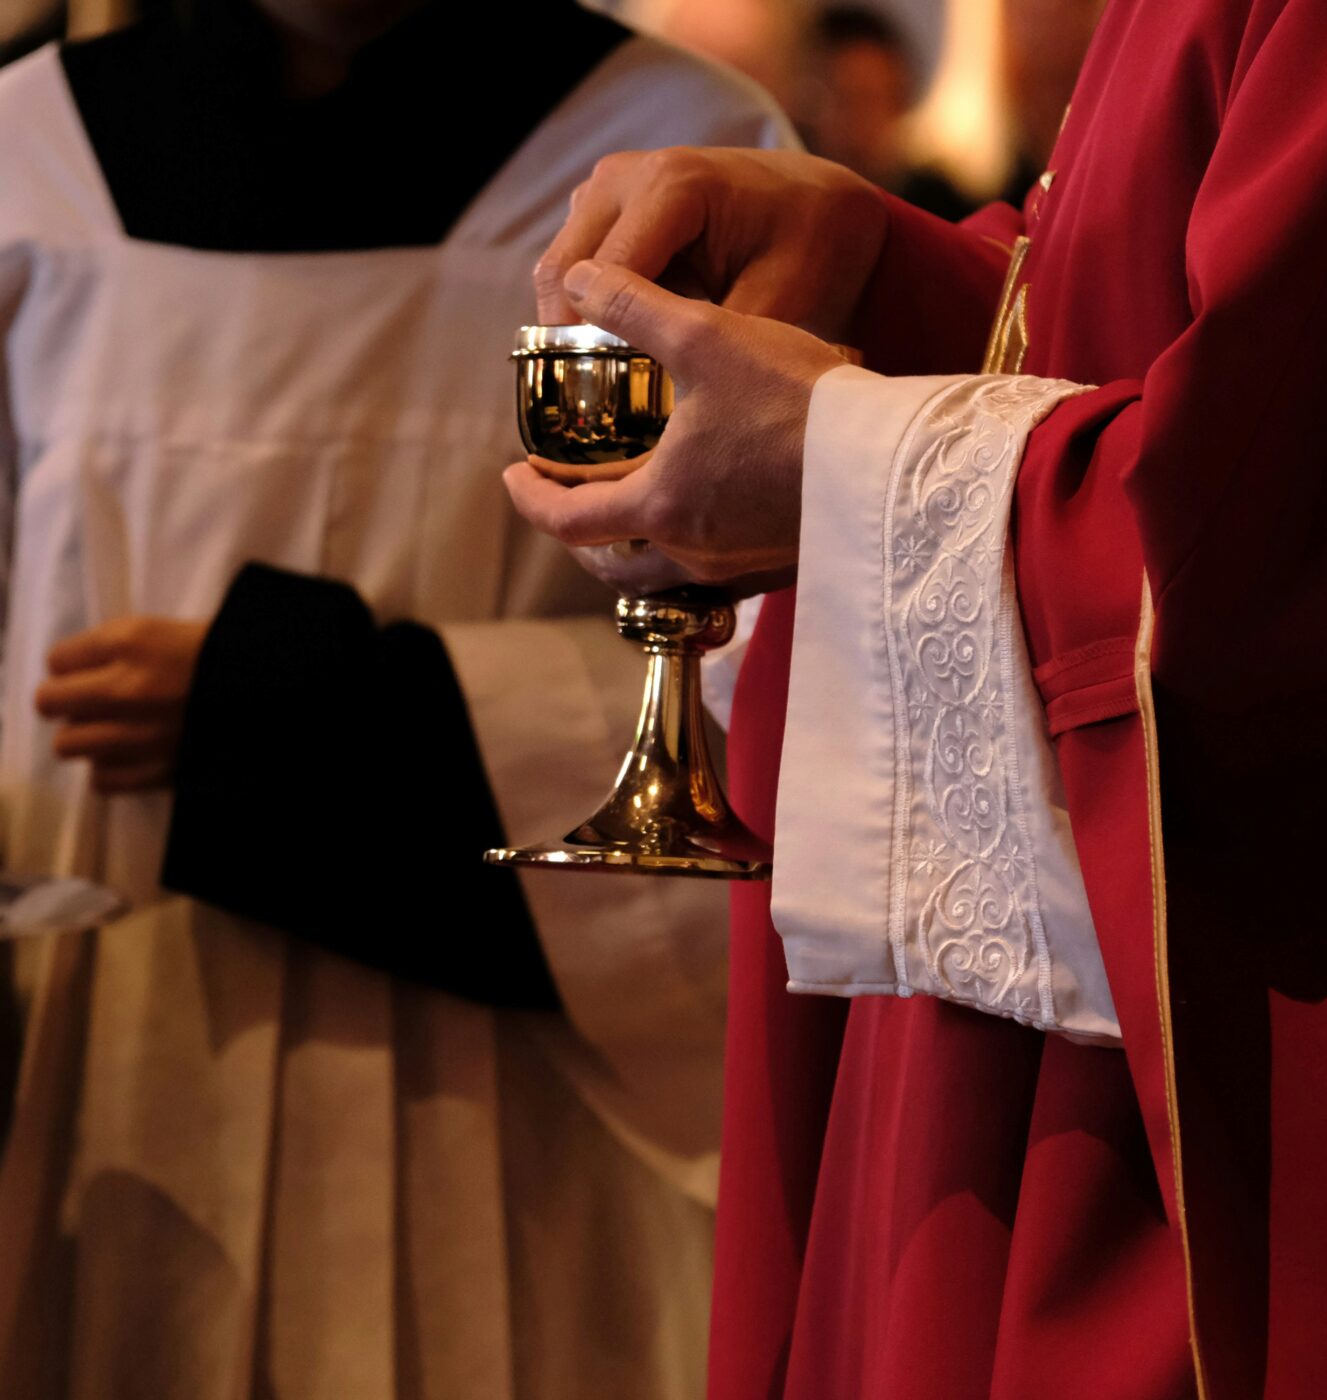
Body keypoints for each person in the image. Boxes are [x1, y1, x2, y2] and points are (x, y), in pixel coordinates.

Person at [505, 0, 1327, 1395]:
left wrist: (854, 456)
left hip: (1216, 1052)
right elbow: (1136, 321)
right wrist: (886, 282)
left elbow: (1303, 523)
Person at [0, 2, 792, 1396]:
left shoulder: (684, 163)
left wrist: (320, 716)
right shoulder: (30, 155)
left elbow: (781, 677)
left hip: (514, 1102)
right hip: (96, 1055)